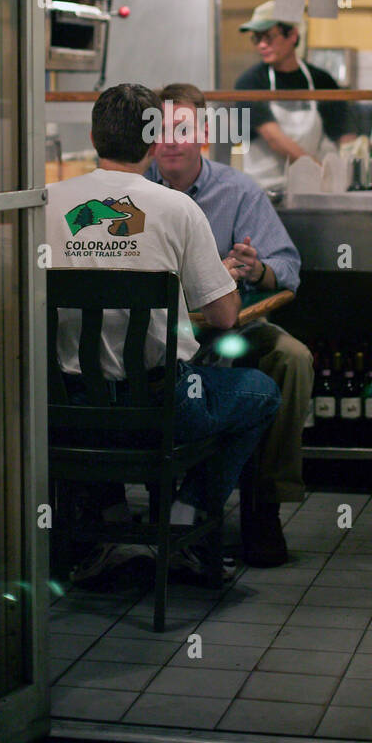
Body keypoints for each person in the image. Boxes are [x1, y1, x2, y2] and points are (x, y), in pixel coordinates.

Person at [43, 83, 280, 583]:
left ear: (92, 137)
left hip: (68, 411)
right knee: (260, 391)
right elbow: (224, 318)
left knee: (99, 407)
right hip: (160, 409)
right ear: (152, 144)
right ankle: (183, 518)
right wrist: (227, 277)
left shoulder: (45, 203)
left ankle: (105, 521)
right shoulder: (176, 209)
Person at [146, 82, 314, 566]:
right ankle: (154, 506)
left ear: (203, 133)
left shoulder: (237, 190)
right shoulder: (135, 193)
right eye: (159, 130)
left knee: (291, 357)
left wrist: (255, 267)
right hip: (156, 338)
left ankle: (264, 506)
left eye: (183, 129)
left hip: (229, 333)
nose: (171, 141)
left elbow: (286, 266)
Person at [234, 0, 358, 192]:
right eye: (257, 39)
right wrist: (319, 171)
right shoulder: (250, 83)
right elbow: (274, 138)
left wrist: (349, 170)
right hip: (266, 193)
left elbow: (343, 134)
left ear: (292, 35)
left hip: (311, 191)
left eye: (268, 37)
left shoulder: (321, 81)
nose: (262, 45)